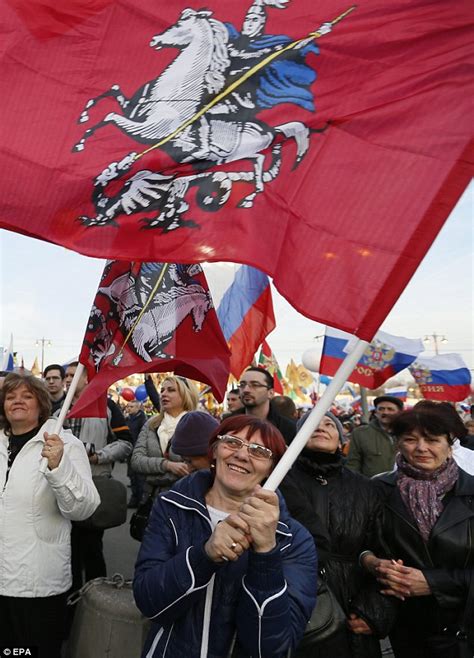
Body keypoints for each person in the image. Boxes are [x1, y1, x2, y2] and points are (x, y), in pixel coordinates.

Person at [133, 415, 317, 657]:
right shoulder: (171, 507)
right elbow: (149, 602)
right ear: (215, 449)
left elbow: (271, 649)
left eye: (259, 451)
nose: (241, 455)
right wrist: (204, 555)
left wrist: (266, 554)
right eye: (232, 442)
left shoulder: (293, 539)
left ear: (273, 469)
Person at [279, 411, 396, 658]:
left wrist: (373, 612)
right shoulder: (278, 481)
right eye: (311, 424)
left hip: (354, 612)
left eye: (329, 424)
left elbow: (385, 551)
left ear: (342, 441)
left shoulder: (365, 488)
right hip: (294, 605)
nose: (320, 427)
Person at [0, 373, 99, 658]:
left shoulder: (65, 444)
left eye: (27, 395)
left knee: (31, 653)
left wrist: (59, 467)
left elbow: (83, 508)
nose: (17, 400)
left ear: (41, 404)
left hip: (36, 584)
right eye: (10, 396)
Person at [362, 409, 474, 658]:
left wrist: (433, 583)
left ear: (450, 444)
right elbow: (359, 545)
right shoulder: (377, 490)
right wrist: (371, 562)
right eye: (411, 440)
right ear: (399, 444)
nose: (421, 448)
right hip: (408, 628)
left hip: (464, 626)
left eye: (432, 439)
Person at [63, 361, 133, 589]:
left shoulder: (107, 406)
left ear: (86, 379)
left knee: (92, 549)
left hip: (94, 487)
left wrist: (99, 456)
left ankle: (95, 600)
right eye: (67, 375)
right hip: (63, 490)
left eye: (73, 375)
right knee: (67, 551)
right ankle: (71, 602)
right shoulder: (58, 410)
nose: (67, 379)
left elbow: (126, 443)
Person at [131, 376, 199, 500]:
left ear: (186, 395)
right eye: (162, 390)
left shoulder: (196, 424)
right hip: (151, 501)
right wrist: (167, 465)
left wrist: (152, 477)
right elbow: (136, 460)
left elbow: (196, 468)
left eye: (171, 390)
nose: (163, 394)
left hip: (185, 498)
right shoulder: (151, 424)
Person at [234, 366, 297, 444]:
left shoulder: (287, 428)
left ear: (270, 393)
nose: (246, 390)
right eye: (242, 385)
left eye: (255, 385)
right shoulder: (229, 422)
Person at [346, 395, 404, 477]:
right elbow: (352, 464)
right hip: (370, 486)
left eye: (390, 409)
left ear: (399, 413)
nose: (385, 412)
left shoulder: (407, 433)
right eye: (381, 409)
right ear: (376, 412)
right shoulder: (360, 433)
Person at [125, 399, 148, 508]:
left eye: (131, 406)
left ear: (138, 408)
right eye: (128, 406)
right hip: (130, 451)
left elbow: (142, 437)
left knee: (139, 477)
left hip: (138, 452)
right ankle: (135, 498)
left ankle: (140, 499)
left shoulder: (142, 420)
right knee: (132, 475)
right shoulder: (128, 419)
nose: (129, 408)